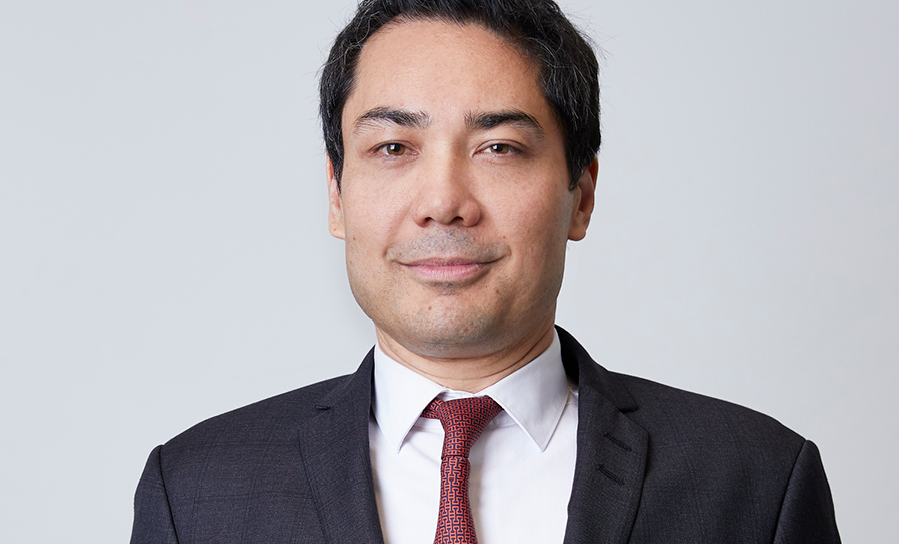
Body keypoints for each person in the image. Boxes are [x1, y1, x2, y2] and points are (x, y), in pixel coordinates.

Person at [131, 0, 841, 542]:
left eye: (498, 147)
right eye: (392, 148)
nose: (443, 202)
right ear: (336, 194)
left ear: (581, 195)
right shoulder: (195, 494)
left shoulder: (756, 483)